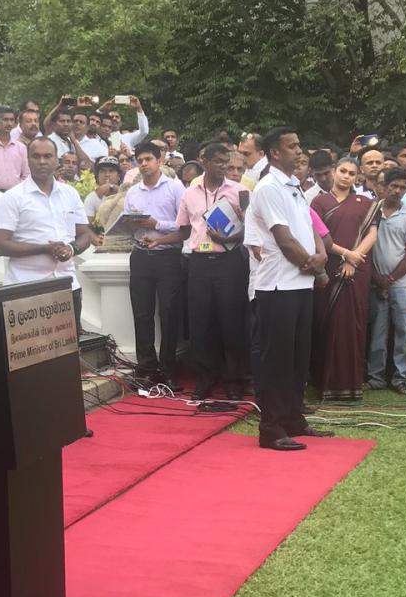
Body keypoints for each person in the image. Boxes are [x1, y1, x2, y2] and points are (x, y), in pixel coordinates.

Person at [249, 126, 330, 450]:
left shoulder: (295, 185)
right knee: (276, 360)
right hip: (278, 285)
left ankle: (294, 418)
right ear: (274, 153)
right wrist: (315, 266)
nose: (299, 151)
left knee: (298, 358)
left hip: (301, 283)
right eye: (292, 146)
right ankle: (271, 428)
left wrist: (321, 255)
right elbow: (283, 239)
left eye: (299, 145)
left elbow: (309, 229)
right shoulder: (268, 187)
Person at [162, 143, 249, 399]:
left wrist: (229, 236)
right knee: (201, 323)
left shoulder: (240, 191)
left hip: (229, 261)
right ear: (204, 161)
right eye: (219, 162)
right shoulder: (190, 193)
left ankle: (233, 381)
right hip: (198, 262)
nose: (224, 167)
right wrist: (158, 240)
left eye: (227, 162)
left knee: (231, 321)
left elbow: (253, 229)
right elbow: (184, 230)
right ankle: (205, 377)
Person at [0, 136, 92, 333]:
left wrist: (71, 249)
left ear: (57, 160)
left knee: (69, 351)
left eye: (48, 156)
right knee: (31, 354)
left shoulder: (69, 194)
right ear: (28, 160)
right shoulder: (13, 197)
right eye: (36, 156)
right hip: (26, 289)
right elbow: (1, 245)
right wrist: (45, 249)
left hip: (67, 286)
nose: (42, 161)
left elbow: (85, 234)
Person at [308, 158, 379, 400]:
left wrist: (354, 257)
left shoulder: (366, 203)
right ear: (333, 171)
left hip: (357, 269)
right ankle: (323, 383)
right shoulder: (319, 201)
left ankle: (349, 385)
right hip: (328, 266)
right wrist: (345, 254)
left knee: (351, 324)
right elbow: (317, 235)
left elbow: (373, 233)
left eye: (351, 173)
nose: (346, 176)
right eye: (342, 171)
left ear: (357, 177)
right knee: (326, 323)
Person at [122, 142, 186, 385]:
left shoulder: (174, 188)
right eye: (140, 160)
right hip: (140, 254)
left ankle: (168, 368)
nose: (144, 164)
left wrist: (156, 224)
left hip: (167, 254)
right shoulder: (132, 192)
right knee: (141, 312)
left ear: (160, 160)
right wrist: (132, 224)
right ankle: (146, 366)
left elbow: (184, 225)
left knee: (169, 313)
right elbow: (128, 222)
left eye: (148, 159)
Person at [366, 168, 406, 394]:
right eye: (394, 186)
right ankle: (375, 377)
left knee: (402, 333)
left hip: (402, 284)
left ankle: (400, 379)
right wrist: (378, 280)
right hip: (375, 282)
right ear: (384, 186)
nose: (397, 191)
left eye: (402, 188)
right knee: (378, 333)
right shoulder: (371, 212)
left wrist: (388, 281)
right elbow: (365, 250)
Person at [84, 157, 124, 223]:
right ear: (97, 175)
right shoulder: (91, 198)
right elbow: (88, 225)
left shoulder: (128, 194)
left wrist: (116, 189)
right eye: (103, 171)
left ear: (119, 175)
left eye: (111, 171)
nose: (107, 175)